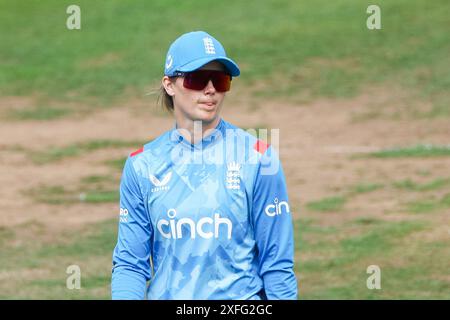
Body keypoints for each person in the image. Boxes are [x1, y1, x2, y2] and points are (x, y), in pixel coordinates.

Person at [111, 30, 298, 300]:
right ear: (169, 84)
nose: (210, 89)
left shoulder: (258, 158)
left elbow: (277, 265)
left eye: (221, 80)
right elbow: (131, 265)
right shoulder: (142, 166)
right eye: (197, 79)